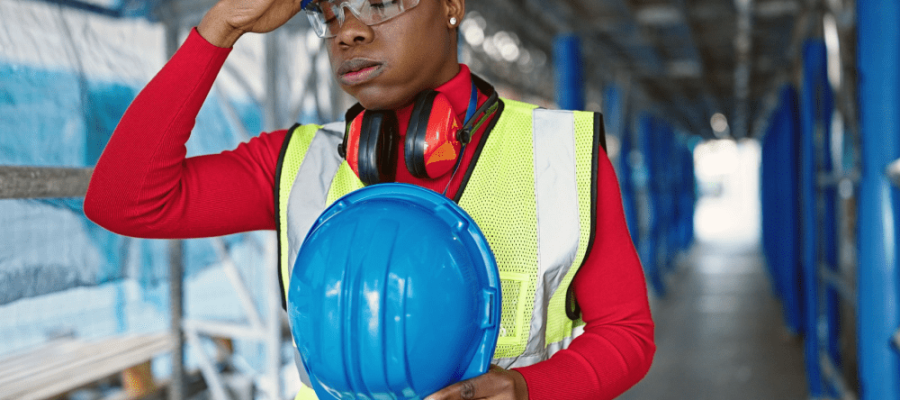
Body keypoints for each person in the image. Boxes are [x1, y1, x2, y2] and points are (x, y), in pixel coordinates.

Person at [84, 0, 656, 398]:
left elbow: (626, 333)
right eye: (330, 12)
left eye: (381, 3)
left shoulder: (558, 153)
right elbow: (123, 199)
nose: (348, 31)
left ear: (451, 6)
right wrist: (221, 26)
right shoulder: (295, 162)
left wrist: (530, 388)